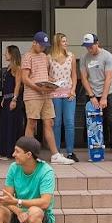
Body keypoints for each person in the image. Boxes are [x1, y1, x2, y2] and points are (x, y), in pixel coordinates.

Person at [20, 31, 66, 161]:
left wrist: (53, 82)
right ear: (34, 43)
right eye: (41, 45)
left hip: (46, 95)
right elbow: (25, 78)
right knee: (32, 123)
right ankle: (28, 154)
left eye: (45, 46)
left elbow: (44, 75)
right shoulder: (27, 56)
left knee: (49, 123)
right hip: (32, 95)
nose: (43, 48)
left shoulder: (44, 56)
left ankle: (55, 155)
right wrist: (39, 88)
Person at [80, 34, 112, 161]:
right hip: (91, 94)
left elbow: (109, 77)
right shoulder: (84, 58)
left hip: (107, 93)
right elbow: (84, 78)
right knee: (93, 123)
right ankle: (95, 151)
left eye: (91, 46)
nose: (89, 49)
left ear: (97, 43)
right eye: (87, 47)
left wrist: (104, 97)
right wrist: (91, 96)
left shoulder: (107, 56)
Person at [48, 33, 81, 162]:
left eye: (66, 41)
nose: (66, 43)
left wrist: (73, 90)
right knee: (56, 123)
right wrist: (50, 79)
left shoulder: (71, 56)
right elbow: (45, 74)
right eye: (63, 41)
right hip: (54, 93)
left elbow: (74, 75)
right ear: (57, 43)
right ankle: (56, 152)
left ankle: (70, 152)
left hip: (69, 94)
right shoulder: (49, 57)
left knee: (69, 122)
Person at [0, 45, 25, 158]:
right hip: (7, 98)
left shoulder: (17, 68)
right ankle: (4, 150)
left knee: (12, 126)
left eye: (6, 52)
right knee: (5, 125)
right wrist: (4, 98)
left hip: (13, 99)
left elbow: (17, 85)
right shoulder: (9, 67)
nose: (5, 54)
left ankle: (11, 152)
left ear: (12, 54)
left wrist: (14, 99)